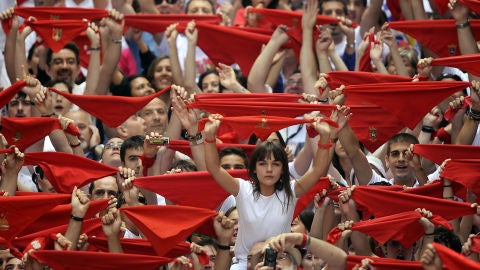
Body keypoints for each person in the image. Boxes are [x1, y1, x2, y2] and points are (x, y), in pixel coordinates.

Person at [201, 110, 334, 269]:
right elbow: (214, 169)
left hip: (280, 262)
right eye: (263, 164)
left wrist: (325, 138)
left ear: (283, 169)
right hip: (244, 264)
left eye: (276, 164)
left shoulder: (291, 191)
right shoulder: (242, 188)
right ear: (254, 168)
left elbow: (318, 169)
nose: (269, 169)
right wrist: (209, 138)